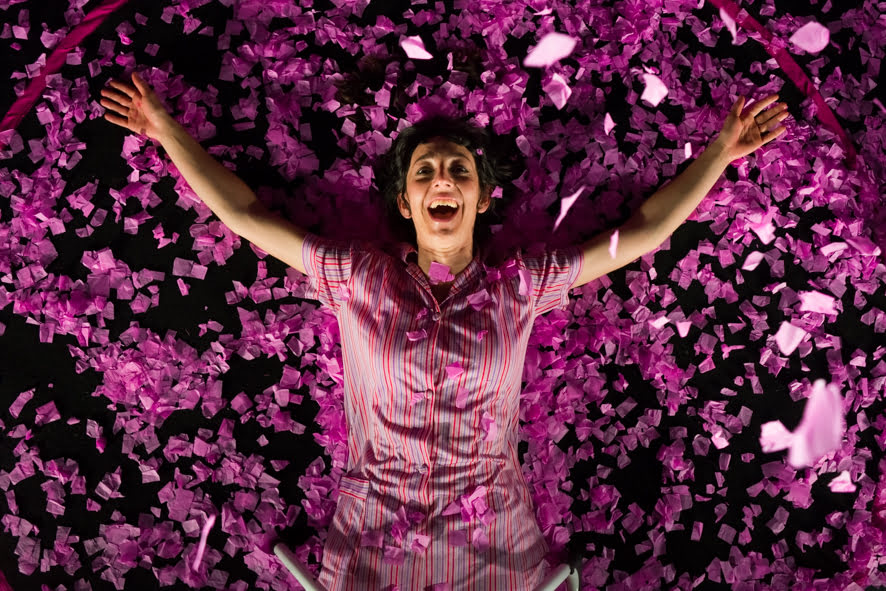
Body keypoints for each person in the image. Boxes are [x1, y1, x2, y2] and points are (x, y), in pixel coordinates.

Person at [100, 70, 789, 590]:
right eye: (425, 171)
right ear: (406, 201)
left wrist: (723, 151)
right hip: (374, 539)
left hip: (493, 544)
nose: (442, 178)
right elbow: (247, 215)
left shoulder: (520, 286)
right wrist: (166, 130)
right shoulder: (357, 274)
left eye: (458, 170)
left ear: (482, 198)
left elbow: (637, 234)